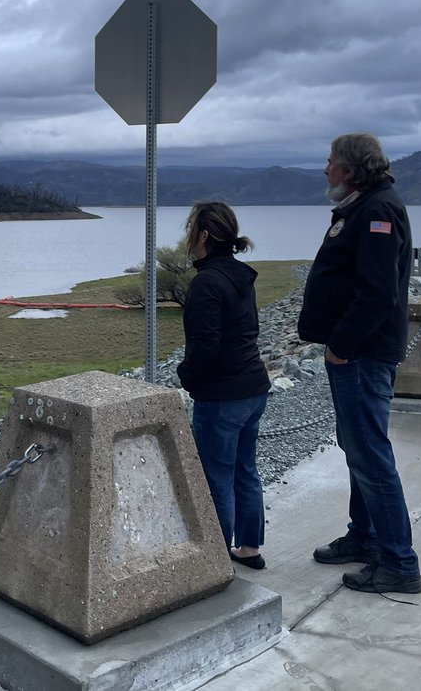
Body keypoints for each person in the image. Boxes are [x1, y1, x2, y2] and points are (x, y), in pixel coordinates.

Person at [297, 132, 421, 594]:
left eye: (330, 161)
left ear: (349, 169)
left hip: (362, 354)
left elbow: (377, 291)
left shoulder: (376, 211)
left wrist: (342, 345)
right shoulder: (364, 205)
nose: (325, 168)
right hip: (359, 352)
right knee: (359, 449)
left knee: (370, 455)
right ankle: (365, 537)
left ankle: (399, 564)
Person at [176, 202, 272, 570]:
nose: (187, 236)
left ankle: (214, 560)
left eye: (190, 228)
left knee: (216, 476)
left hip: (222, 396)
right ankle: (248, 548)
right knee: (245, 469)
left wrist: (187, 377)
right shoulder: (240, 276)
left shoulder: (206, 283)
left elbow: (205, 348)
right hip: (254, 386)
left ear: (203, 235)